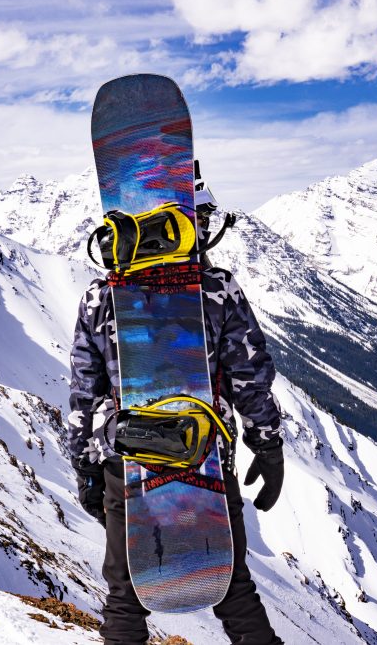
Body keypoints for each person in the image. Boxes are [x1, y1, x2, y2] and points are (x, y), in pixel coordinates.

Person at [67, 174, 286, 645]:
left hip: (125, 462)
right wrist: (267, 445)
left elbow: (84, 394)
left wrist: (85, 468)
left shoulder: (100, 295)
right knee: (232, 586)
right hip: (203, 452)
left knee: (126, 596)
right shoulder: (216, 289)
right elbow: (250, 377)